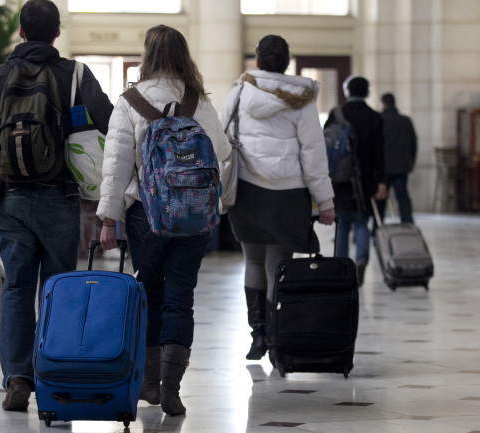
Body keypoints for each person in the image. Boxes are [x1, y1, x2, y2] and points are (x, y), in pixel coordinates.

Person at [0, 0, 113, 412]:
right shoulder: (74, 75)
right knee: (58, 290)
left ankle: (17, 379)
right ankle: (55, 377)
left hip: (9, 198)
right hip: (59, 196)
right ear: (57, 32)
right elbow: (110, 125)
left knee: (16, 288)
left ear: (20, 31)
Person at [98, 24, 230, 416]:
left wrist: (109, 218)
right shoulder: (198, 101)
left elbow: (117, 165)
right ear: (183, 56)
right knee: (180, 297)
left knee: (151, 293)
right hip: (194, 216)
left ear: (147, 55)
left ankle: (151, 385)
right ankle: (173, 388)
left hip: (146, 215)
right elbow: (221, 152)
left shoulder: (130, 101)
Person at [220, 35, 335, 362]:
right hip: (288, 194)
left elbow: (221, 137)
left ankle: (257, 338)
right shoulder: (302, 98)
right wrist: (325, 201)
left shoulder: (240, 91)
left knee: (252, 262)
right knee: (279, 265)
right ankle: (275, 338)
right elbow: (313, 152)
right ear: (287, 62)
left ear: (257, 60)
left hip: (247, 190)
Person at [324, 75, 387, 286]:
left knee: (342, 223)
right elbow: (380, 153)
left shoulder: (337, 114)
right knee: (362, 222)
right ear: (367, 92)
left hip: (340, 179)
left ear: (347, 91)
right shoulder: (375, 117)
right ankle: (361, 259)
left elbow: (325, 143)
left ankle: (341, 266)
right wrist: (382, 182)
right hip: (366, 178)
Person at [377, 92, 417, 224]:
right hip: (402, 167)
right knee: (403, 197)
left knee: (381, 198)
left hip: (383, 168)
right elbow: (413, 144)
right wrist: (411, 163)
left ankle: (378, 226)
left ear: (383, 104)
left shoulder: (379, 120)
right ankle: (407, 223)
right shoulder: (405, 121)